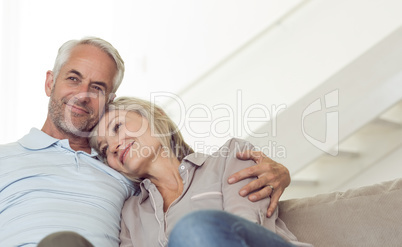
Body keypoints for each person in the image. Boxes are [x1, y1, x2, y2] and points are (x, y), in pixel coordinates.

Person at [0, 37, 291, 247]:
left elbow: (245, 227)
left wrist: (280, 172)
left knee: (195, 228)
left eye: (97, 87)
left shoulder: (227, 159)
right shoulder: (130, 208)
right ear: (50, 82)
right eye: (73, 79)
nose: (82, 94)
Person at [89, 97, 311, 247]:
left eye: (117, 127)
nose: (114, 146)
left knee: (194, 228)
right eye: (105, 149)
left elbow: (244, 227)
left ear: (152, 116)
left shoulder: (231, 156)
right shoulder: (130, 213)